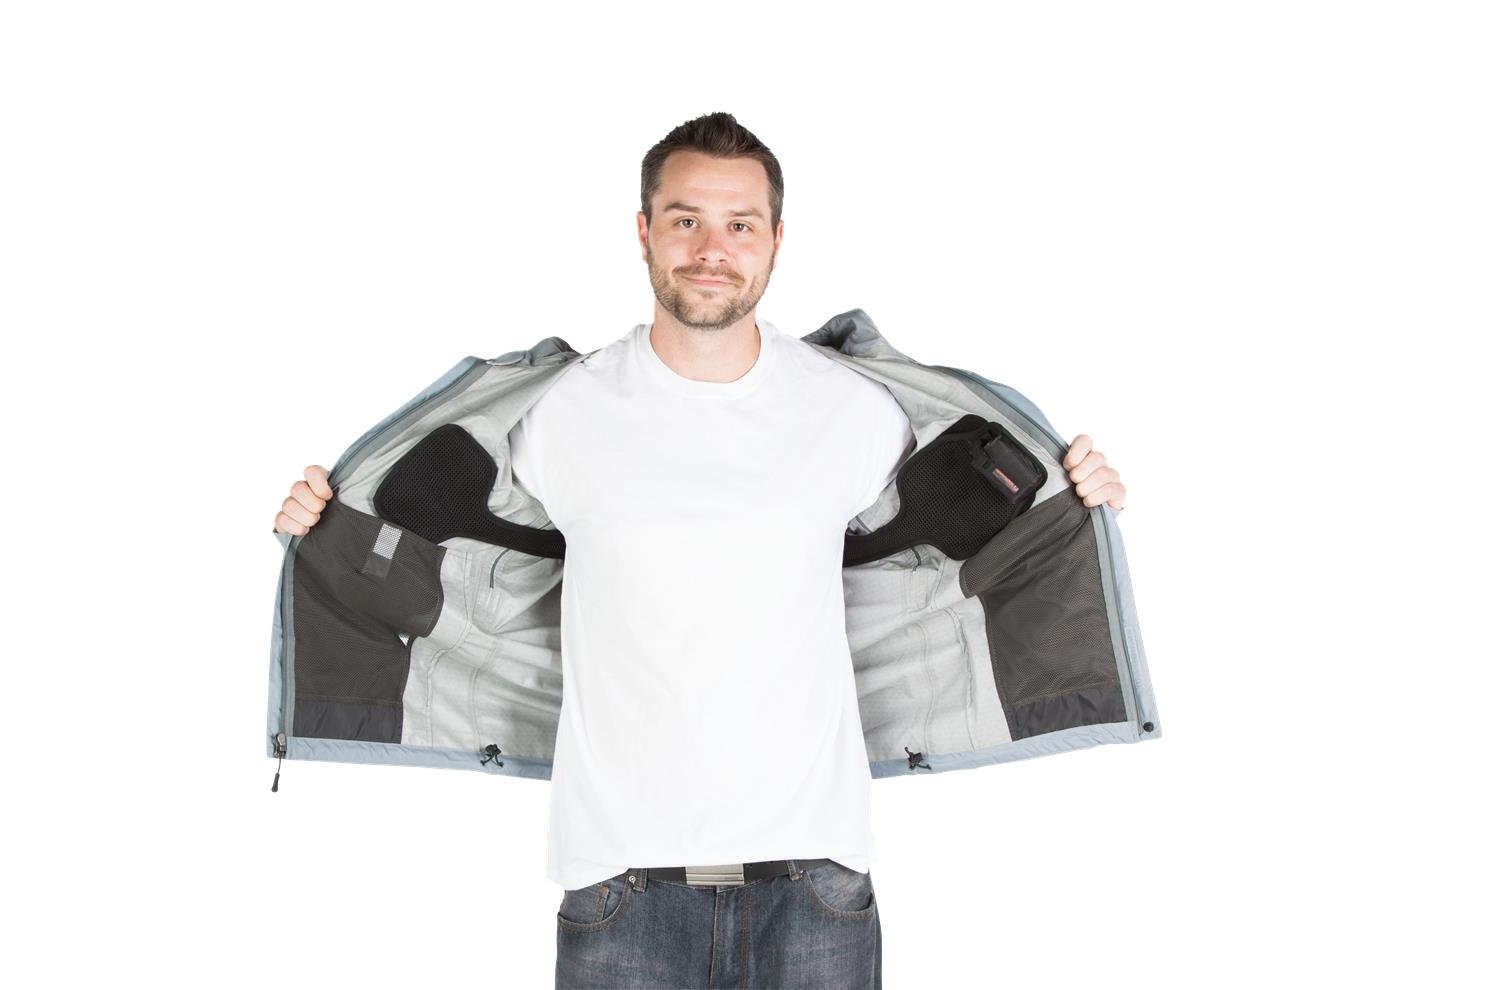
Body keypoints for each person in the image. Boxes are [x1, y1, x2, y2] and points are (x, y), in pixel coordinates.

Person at [272, 111, 1128, 990]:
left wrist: (1075, 493)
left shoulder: (854, 409)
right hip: (618, 883)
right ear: (644, 230)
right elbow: (430, 531)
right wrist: (326, 520)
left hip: (816, 879)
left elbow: (979, 516)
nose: (711, 249)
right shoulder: (556, 412)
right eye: (685, 219)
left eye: (739, 224)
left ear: (776, 241)